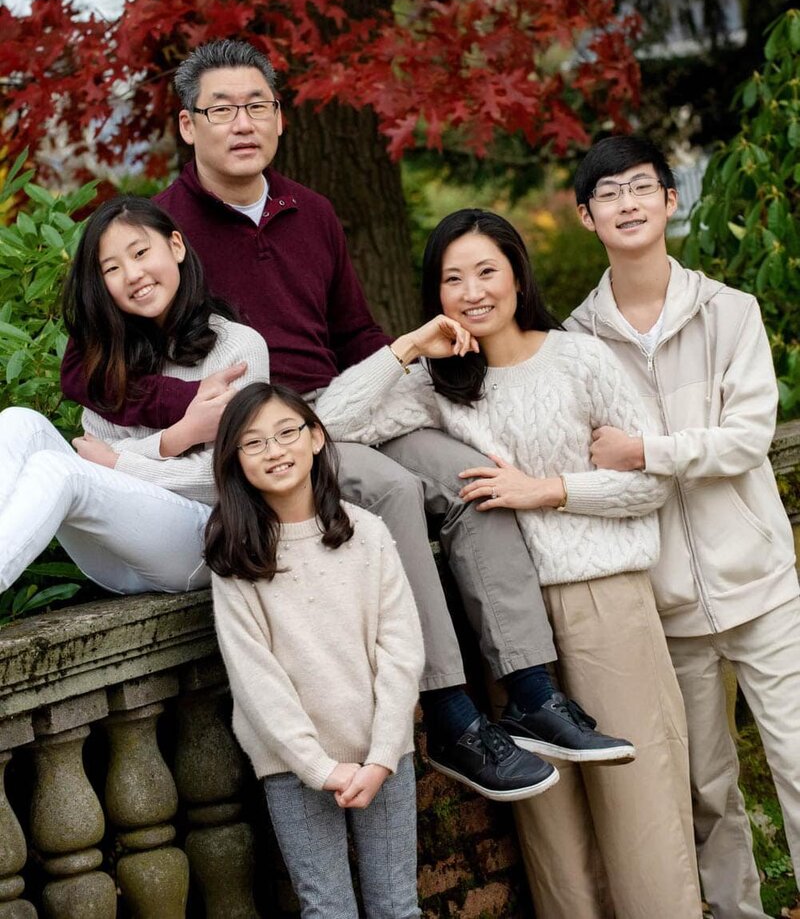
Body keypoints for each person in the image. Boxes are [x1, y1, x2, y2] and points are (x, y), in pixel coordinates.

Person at [60, 39, 623, 800]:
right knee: (390, 490)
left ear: (281, 118)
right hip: (276, 435)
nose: (242, 122)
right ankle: (453, 716)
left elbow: (355, 332)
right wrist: (187, 412)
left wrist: (427, 383)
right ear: (189, 126)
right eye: (221, 109)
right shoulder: (164, 232)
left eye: (257, 105)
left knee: (470, 472)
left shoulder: (310, 211)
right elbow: (93, 366)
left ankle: (532, 692)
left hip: (353, 402)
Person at [315, 208, 703, 919]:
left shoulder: (580, 356)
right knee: (552, 830)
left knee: (641, 808)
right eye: (451, 278)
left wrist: (546, 490)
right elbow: (327, 428)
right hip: (506, 619)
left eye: (486, 271)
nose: (471, 291)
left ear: (518, 274)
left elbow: (650, 481)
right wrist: (408, 346)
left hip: (599, 598)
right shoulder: (434, 387)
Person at [569, 133, 800, 919]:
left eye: (642, 187)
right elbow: (588, 468)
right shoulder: (575, 343)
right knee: (706, 786)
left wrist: (646, 451)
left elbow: (747, 438)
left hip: (761, 584)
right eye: (609, 193)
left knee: (799, 760)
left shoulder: (730, 311)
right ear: (586, 217)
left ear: (672, 199)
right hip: (665, 604)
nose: (628, 203)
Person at [207, 381, 424, 919]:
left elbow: (401, 649)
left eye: (286, 433)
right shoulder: (237, 557)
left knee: (398, 907)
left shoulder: (367, 533)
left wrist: (380, 757)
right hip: (291, 763)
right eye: (253, 443)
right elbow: (255, 677)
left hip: (383, 754)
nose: (274, 450)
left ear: (317, 438)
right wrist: (318, 766)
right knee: (327, 908)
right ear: (235, 461)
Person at [0, 196, 269, 594]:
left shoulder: (237, 348)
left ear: (175, 246)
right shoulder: (108, 359)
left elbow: (228, 477)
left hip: (203, 543)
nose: (132, 274)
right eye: (112, 268)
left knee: (57, 469)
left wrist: (121, 462)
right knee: (19, 421)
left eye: (141, 252)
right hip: (114, 555)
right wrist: (178, 438)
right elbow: (98, 458)